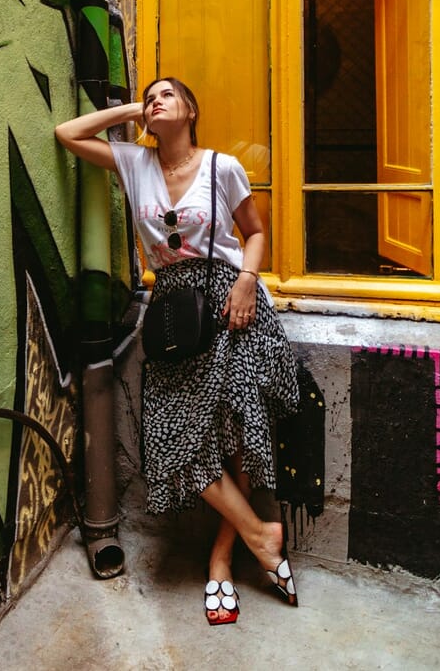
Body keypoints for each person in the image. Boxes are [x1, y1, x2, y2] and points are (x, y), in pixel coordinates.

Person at [55, 76, 300, 625]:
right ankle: (262, 534)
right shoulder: (133, 163)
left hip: (232, 301)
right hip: (172, 310)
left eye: (167, 94)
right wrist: (129, 111)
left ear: (191, 109)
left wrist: (246, 281)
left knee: (235, 425)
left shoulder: (222, 166)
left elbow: (255, 233)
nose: (156, 100)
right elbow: (66, 133)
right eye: (150, 96)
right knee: (173, 435)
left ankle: (220, 562)